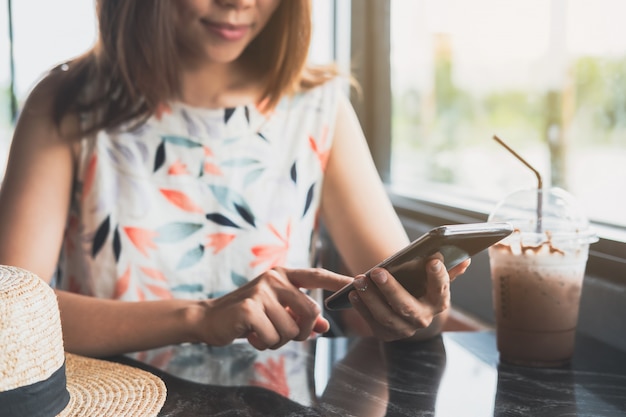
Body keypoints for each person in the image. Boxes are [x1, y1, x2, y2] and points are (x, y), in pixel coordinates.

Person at [0, 0, 469, 358]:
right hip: (106, 399)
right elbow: (9, 313)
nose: (240, 2)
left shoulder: (318, 108)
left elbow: (406, 302)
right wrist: (197, 318)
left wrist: (423, 314)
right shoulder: (65, 105)